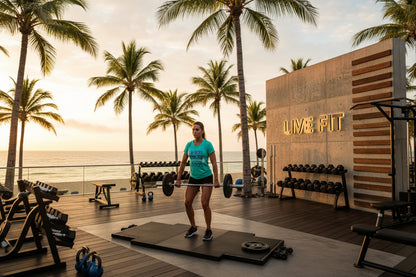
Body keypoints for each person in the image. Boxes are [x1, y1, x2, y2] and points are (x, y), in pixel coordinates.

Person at [176, 121, 219, 241]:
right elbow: (183, 162)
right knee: (187, 202)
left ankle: (209, 229)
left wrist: (216, 179)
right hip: (193, 177)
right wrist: (178, 179)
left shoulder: (207, 144)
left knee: (204, 203)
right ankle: (193, 227)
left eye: (197, 129)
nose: (195, 132)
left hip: (206, 177)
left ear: (202, 131)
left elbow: (214, 163)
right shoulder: (189, 145)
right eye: (193, 130)